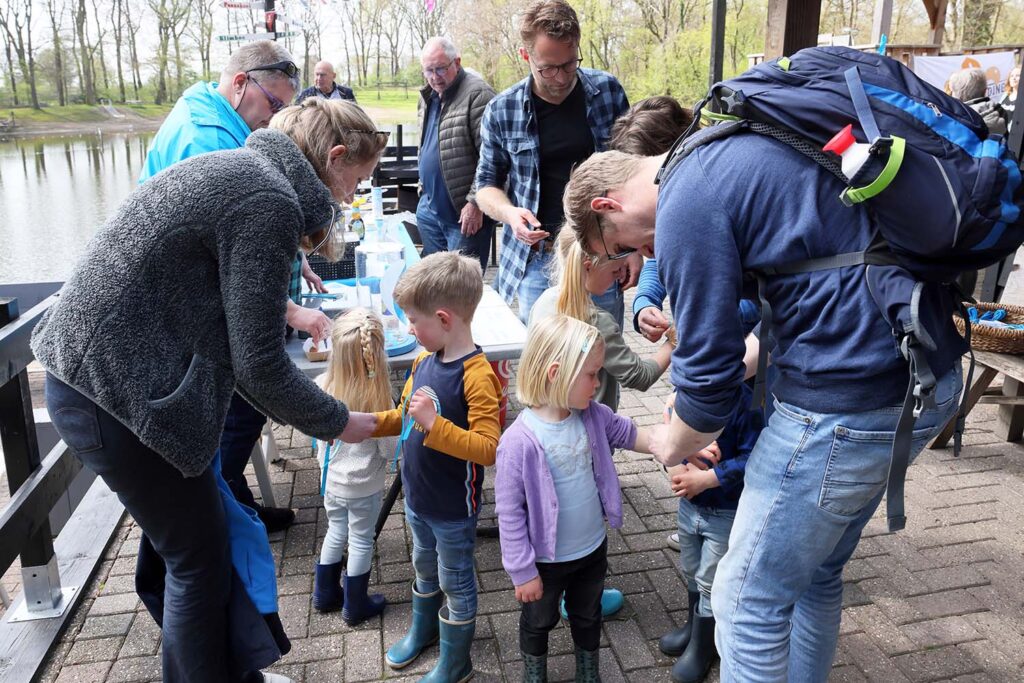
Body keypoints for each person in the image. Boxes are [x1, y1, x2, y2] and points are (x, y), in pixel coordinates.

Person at [561, 136, 963, 679]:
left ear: (606, 206)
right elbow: (771, 325)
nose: (643, 256)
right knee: (815, 574)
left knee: (745, 602)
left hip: (844, 401)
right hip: (922, 376)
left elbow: (703, 384)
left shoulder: (685, 199)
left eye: (616, 250)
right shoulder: (721, 151)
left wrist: (667, 442)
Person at [33, 99, 386, 683]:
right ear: (335, 157)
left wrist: (287, 321)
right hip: (112, 394)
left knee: (190, 544)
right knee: (198, 560)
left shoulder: (247, 173)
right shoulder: (267, 200)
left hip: (101, 379)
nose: (351, 196)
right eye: (355, 181)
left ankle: (227, 669)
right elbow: (259, 366)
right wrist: (336, 419)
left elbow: (225, 304)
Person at [140, 39, 330, 532]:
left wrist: (293, 261)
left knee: (237, 408)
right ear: (241, 82)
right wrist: (291, 311)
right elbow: (234, 251)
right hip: (181, 311)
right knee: (242, 403)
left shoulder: (216, 115)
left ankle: (233, 502)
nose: (276, 117)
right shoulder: (205, 138)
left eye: (285, 107)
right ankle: (223, 512)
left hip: (194, 300)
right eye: (273, 104)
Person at [495, 314, 658, 683]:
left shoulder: (593, 416)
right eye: (591, 374)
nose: (598, 382)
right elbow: (509, 514)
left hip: (590, 551)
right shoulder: (518, 442)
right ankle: (534, 675)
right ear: (556, 373)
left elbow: (634, 435)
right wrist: (522, 572)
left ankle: (589, 672)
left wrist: (674, 446)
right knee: (539, 622)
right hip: (544, 563)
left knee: (588, 615)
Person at [371, 252, 502, 681]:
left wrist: (436, 425)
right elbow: (406, 416)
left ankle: (456, 661)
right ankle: (424, 630)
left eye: (414, 320)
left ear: (444, 319)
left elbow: (487, 449)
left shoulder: (478, 376)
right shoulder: (422, 362)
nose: (409, 328)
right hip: (417, 497)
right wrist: (364, 425)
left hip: (452, 509)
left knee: (456, 580)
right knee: (423, 567)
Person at [474, 0, 638, 325]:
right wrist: (510, 214)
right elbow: (485, 187)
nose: (561, 77)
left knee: (605, 363)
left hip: (601, 253)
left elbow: (630, 175)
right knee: (548, 370)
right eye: (548, 68)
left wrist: (631, 247)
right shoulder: (501, 110)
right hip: (538, 260)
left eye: (569, 64)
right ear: (526, 56)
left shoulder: (608, 92)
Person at [658, 384, 763, 683]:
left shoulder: (747, 403)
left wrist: (708, 478)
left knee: (709, 579)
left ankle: (704, 646)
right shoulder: (686, 395)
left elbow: (752, 457)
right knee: (692, 568)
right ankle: (693, 629)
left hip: (724, 510)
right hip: (690, 506)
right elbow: (669, 430)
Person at [311, 308, 397, 625]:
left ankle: (324, 594)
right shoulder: (380, 399)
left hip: (331, 482)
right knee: (361, 539)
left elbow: (315, 432)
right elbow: (388, 451)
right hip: (363, 487)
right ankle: (355, 604)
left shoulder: (321, 384)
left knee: (335, 531)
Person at [530, 228, 672, 410]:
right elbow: (639, 376)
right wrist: (673, 341)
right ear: (588, 266)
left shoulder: (544, 301)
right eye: (615, 271)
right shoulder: (597, 322)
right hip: (592, 428)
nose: (621, 275)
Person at [416, 37, 497, 270]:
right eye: (428, 71)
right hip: (430, 210)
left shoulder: (478, 95)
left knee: (462, 288)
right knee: (433, 281)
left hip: (464, 217)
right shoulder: (428, 96)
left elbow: (493, 157)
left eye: (440, 68)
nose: (434, 77)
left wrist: (475, 202)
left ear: (457, 62)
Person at [949, 67, 1008, 135]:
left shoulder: (953, 120)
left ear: (957, 94)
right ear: (985, 90)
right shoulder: (1000, 111)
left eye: (953, 91)